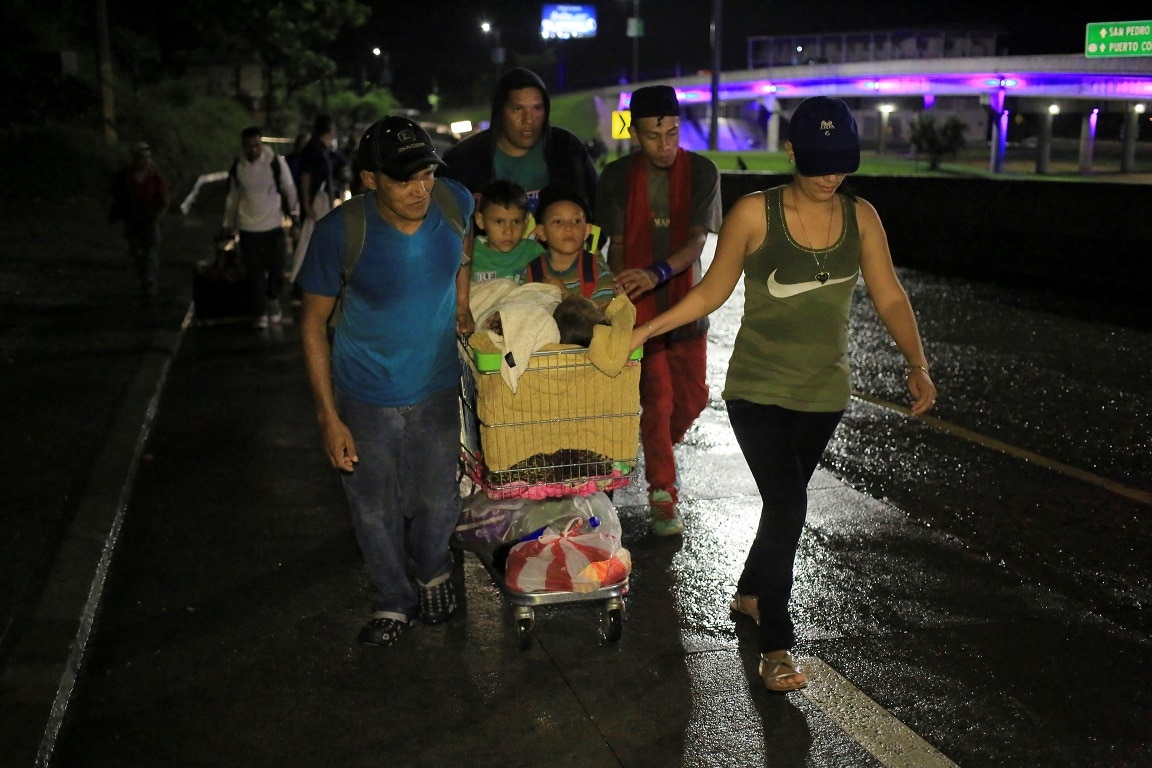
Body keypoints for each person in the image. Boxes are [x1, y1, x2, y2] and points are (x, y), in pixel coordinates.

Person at [627, 96, 938, 692]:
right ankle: (776, 645)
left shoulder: (861, 216)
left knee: (780, 505)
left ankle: (749, 591)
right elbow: (711, 293)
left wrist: (916, 363)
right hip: (759, 389)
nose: (830, 175)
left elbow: (891, 295)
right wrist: (644, 330)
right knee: (790, 507)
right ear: (791, 150)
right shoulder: (754, 213)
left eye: (841, 163)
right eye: (819, 161)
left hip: (825, 392)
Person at [297, 116, 475, 647]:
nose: (421, 189)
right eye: (404, 179)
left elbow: (463, 252)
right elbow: (310, 324)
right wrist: (329, 417)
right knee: (373, 507)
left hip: (439, 383)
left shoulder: (454, 201)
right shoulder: (339, 233)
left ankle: (433, 572)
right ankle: (392, 599)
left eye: (426, 173)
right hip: (365, 393)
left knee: (439, 499)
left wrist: (461, 303)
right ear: (370, 179)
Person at [595, 84, 722, 536]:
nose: (664, 146)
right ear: (635, 134)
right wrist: (623, 288)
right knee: (659, 399)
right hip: (642, 310)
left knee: (692, 398)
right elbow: (618, 247)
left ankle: (655, 448)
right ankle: (663, 495)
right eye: (653, 136)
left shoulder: (702, 171)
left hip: (687, 302)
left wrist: (657, 272)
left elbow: (696, 242)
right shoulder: (615, 177)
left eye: (671, 133)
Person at [440, 67, 598, 214]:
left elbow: (596, 204)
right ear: (500, 111)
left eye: (537, 108)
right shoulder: (463, 159)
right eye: (518, 109)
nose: (528, 120)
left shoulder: (567, 149)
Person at [222, 126, 299, 328]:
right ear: (243, 147)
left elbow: (289, 188)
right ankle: (260, 312)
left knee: (277, 268)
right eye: (249, 146)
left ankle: (273, 300)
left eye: (256, 145)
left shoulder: (274, 162)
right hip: (248, 228)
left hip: (273, 225)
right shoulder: (239, 167)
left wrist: (295, 216)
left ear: (262, 144)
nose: (253, 150)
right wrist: (229, 225)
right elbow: (233, 198)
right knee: (254, 273)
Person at [521, 186, 614, 306]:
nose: (569, 227)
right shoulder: (532, 273)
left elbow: (603, 316)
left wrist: (566, 295)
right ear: (541, 233)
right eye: (558, 222)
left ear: (586, 231)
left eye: (576, 221)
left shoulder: (597, 270)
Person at [108, 141, 170, 296]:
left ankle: (149, 281)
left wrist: (158, 217)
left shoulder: (155, 177)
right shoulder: (125, 176)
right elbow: (116, 194)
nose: (144, 160)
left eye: (147, 157)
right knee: (136, 252)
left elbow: (164, 199)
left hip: (150, 219)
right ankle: (144, 278)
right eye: (141, 157)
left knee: (151, 251)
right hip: (132, 220)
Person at [288, 114, 338, 283]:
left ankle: (312, 279)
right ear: (330, 129)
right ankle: (300, 280)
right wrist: (307, 204)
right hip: (316, 201)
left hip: (319, 200)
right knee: (309, 241)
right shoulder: (315, 149)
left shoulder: (321, 148)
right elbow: (306, 177)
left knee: (318, 241)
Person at [470, 179, 544, 284]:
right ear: (480, 221)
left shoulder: (534, 252)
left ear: (526, 221)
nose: (508, 231)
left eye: (516, 222)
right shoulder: (470, 254)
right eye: (499, 222)